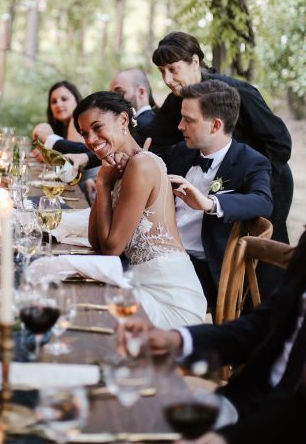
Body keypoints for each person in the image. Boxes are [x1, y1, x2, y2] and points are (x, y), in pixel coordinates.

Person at [120, 230, 306, 444]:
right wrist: (175, 340)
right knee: (130, 415)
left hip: (280, 428)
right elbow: (260, 326)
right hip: (243, 403)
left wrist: (224, 439)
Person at [143, 31, 293, 246]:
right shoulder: (177, 99)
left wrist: (253, 176)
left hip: (270, 179)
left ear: (195, 62)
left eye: (173, 70)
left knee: (268, 254)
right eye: (162, 72)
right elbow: (152, 138)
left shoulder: (239, 93)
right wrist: (88, 156)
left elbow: (280, 144)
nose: (167, 79)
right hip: (218, 184)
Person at [72, 91, 207, 329]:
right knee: (78, 306)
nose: (91, 139)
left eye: (97, 127)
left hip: (170, 300)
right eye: (84, 133)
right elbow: (97, 242)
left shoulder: (141, 164)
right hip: (141, 286)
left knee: (80, 313)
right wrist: (107, 179)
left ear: (123, 120)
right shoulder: (118, 167)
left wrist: (103, 183)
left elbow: (111, 249)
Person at [167, 80, 273, 306]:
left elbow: (263, 202)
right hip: (162, 255)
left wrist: (210, 203)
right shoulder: (180, 153)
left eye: (188, 120)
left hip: (201, 271)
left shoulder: (251, 162)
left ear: (215, 126)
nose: (179, 126)